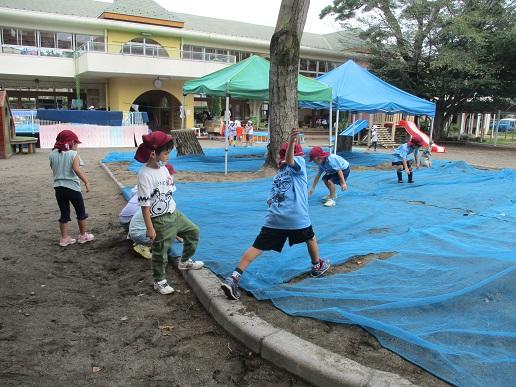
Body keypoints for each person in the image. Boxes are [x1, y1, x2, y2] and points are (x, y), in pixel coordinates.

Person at [221, 128, 330, 300]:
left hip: (274, 219)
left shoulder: (278, 175)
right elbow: (291, 160)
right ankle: (317, 266)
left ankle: (233, 277)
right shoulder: (299, 165)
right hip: (296, 218)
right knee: (310, 238)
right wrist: (293, 143)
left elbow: (269, 200)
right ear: (298, 156)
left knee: (257, 247)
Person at [135, 131, 203, 295]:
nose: (167, 157)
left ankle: (185, 260)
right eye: (165, 153)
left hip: (173, 213)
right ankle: (159, 281)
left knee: (193, 231)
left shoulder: (164, 169)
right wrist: (150, 228)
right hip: (159, 219)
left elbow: (167, 190)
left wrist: (176, 227)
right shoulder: (144, 175)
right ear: (153, 154)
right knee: (160, 252)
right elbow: (145, 206)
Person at [49, 129, 94, 247]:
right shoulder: (73, 154)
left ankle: (64, 238)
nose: (77, 146)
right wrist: (86, 181)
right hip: (72, 188)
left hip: (58, 188)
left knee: (64, 213)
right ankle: (83, 235)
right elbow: (76, 169)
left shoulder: (52, 154)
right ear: (71, 142)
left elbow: (53, 168)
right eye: (76, 143)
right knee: (81, 212)